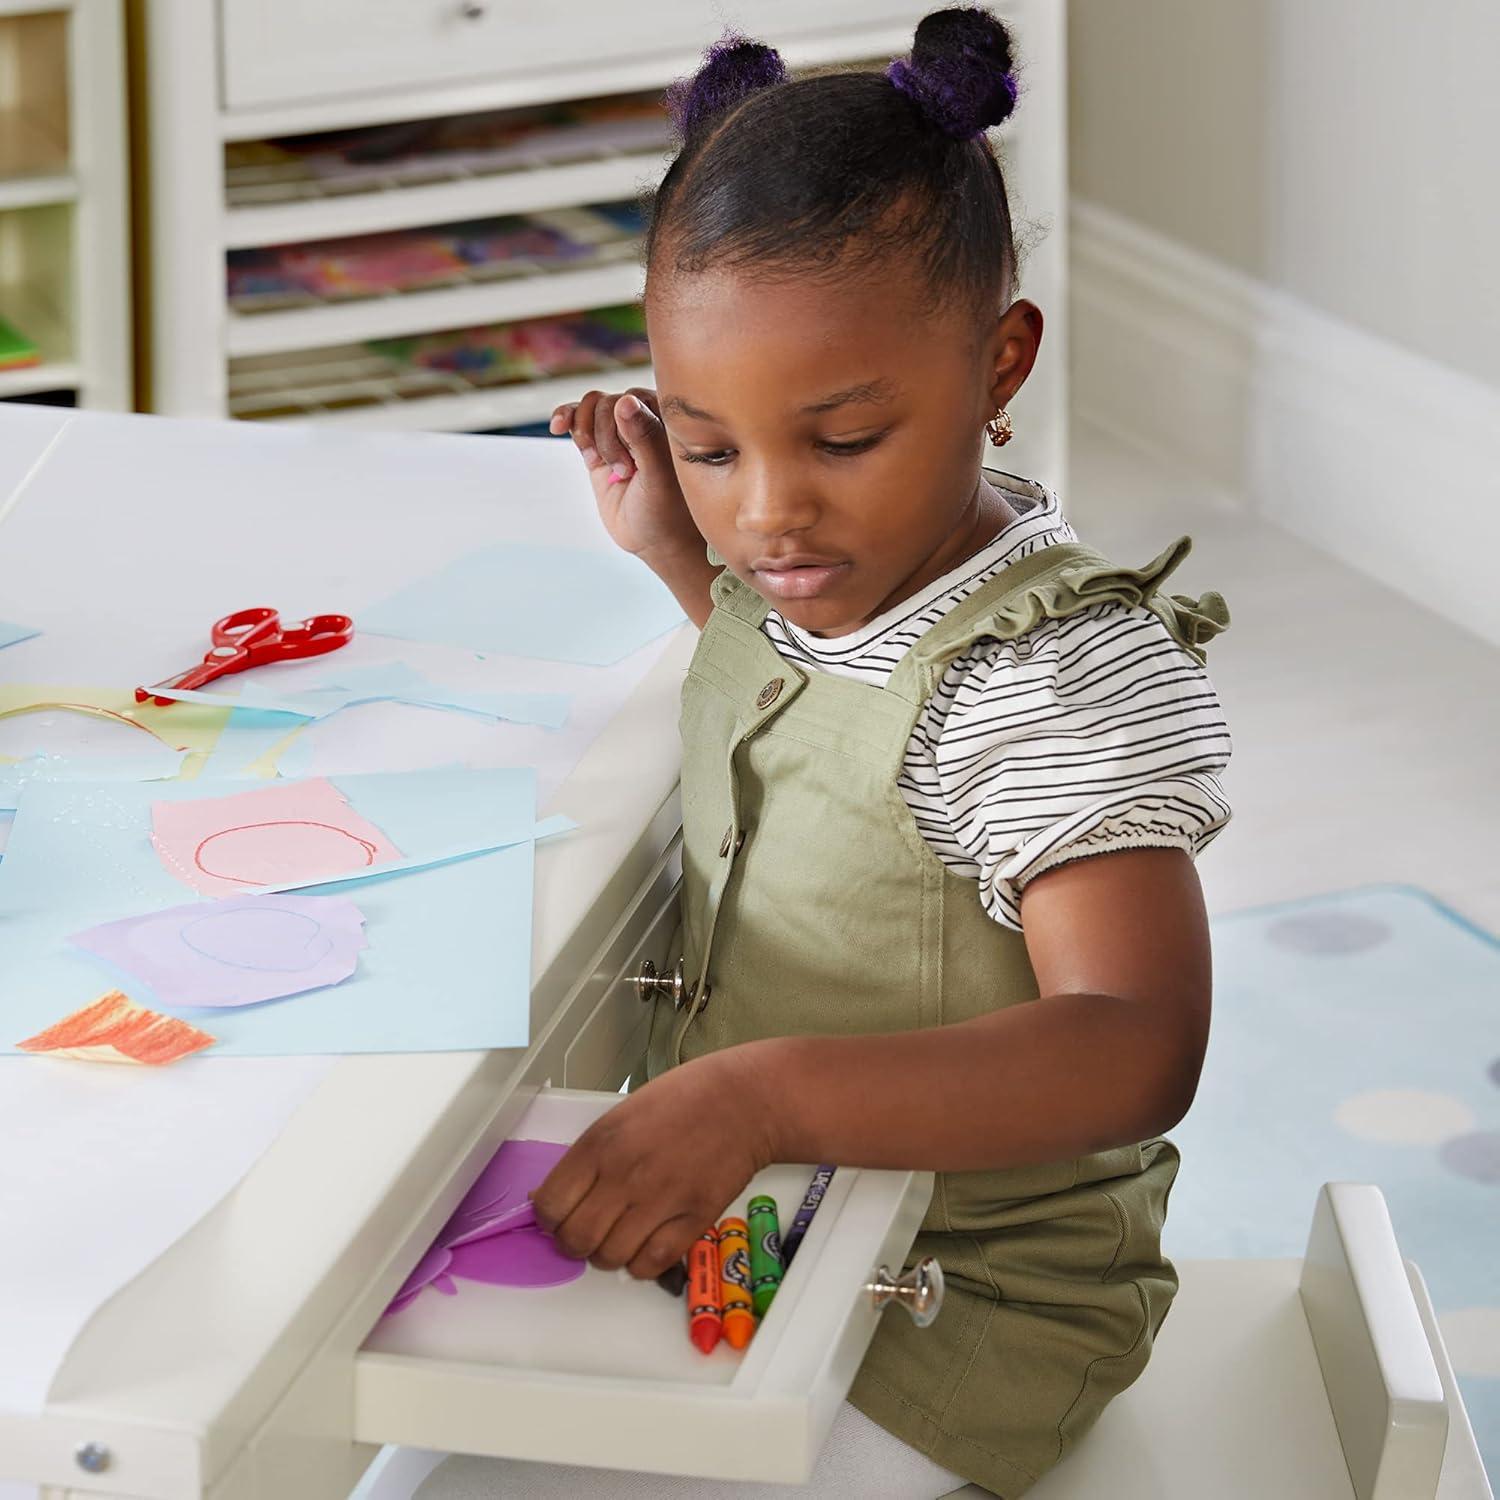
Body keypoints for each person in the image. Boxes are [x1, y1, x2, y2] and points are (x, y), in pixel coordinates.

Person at [427, 9, 1234, 1497]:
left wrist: (762, 1095)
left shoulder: (1044, 679)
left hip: (960, 1308)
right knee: (428, 1445)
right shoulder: (830, 578)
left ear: (1002, 363)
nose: (768, 516)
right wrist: (685, 560)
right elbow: (826, 710)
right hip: (771, 1221)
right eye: (709, 443)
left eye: (842, 441)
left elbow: (1137, 1039)